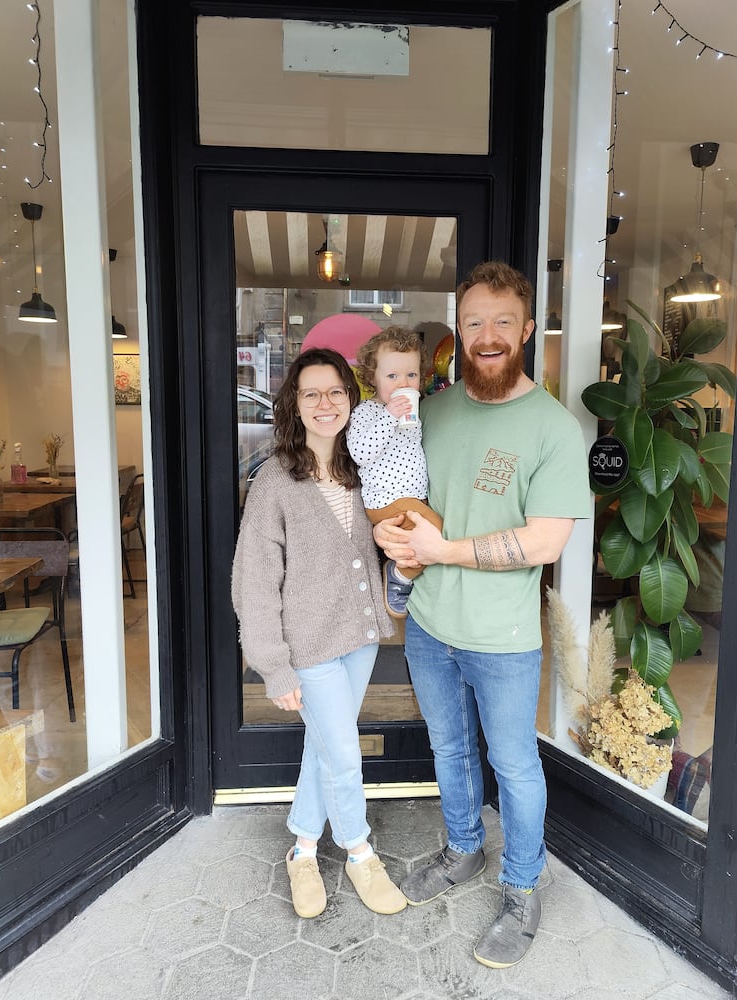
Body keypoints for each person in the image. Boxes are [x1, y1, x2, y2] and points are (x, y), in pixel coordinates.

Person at [374, 261, 592, 969]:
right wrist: (390, 532)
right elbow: (399, 495)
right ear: (458, 333)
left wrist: (445, 548)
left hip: (502, 639)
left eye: (503, 321)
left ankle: (523, 887)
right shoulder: (429, 410)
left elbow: (547, 539)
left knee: (516, 766)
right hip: (430, 627)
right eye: (474, 322)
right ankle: (464, 849)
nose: (488, 335)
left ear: (527, 329)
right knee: (449, 750)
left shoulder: (553, 428)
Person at [231, 347, 407, 920]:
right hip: (306, 645)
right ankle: (359, 851)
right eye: (311, 393)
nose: (325, 403)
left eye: (336, 392)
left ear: (351, 400)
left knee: (325, 745)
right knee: (345, 751)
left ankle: (303, 847)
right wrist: (272, 665)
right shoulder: (276, 481)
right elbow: (253, 580)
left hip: (357, 637)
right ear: (295, 405)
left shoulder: (365, 468)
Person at [347, 326, 443, 618]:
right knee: (439, 534)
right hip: (387, 501)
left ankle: (402, 569)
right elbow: (360, 453)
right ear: (372, 378)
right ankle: (400, 576)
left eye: (411, 375)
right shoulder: (366, 411)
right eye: (392, 376)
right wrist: (389, 416)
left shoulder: (419, 410)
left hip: (412, 500)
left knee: (423, 544)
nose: (403, 383)